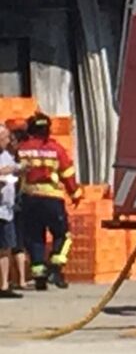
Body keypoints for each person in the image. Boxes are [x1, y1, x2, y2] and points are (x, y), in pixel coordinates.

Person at [18, 112, 83, 290]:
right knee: (63, 235)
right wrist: (76, 194)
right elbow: (67, 174)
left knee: (34, 237)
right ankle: (56, 267)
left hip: (29, 199)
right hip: (52, 199)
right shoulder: (56, 149)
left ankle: (39, 275)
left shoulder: (21, 148)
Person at [0, 126, 22, 298]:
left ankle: (4, 285)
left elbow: (14, 167)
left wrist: (20, 168)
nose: (8, 141)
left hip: (6, 210)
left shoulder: (6, 155)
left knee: (5, 248)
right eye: (5, 138)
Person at [6, 120, 28, 291]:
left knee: (12, 243)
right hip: (15, 203)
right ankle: (18, 280)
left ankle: (18, 279)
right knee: (15, 243)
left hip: (13, 203)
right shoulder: (19, 158)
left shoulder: (13, 159)